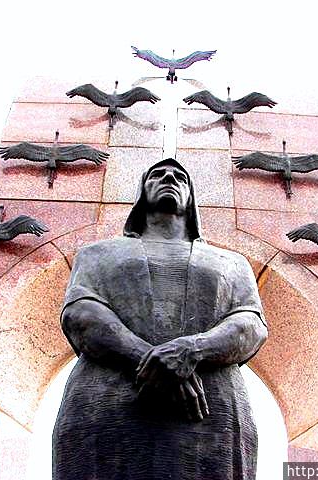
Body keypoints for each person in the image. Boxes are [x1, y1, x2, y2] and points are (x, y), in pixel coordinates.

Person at [53, 158, 268, 480]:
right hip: (106, 403)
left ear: (191, 196)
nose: (169, 177)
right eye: (157, 175)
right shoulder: (97, 254)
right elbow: (81, 314)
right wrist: (152, 360)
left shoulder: (231, 263)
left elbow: (250, 324)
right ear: (142, 192)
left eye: (180, 176)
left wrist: (191, 350)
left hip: (209, 410)